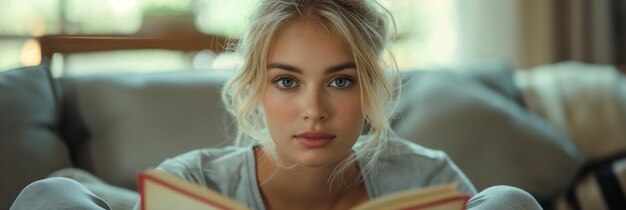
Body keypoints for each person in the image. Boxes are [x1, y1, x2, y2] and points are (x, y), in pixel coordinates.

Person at [11, 0, 542, 209]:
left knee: (508, 202)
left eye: (340, 82)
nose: (314, 109)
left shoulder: (429, 180)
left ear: (372, 91)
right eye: (287, 82)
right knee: (53, 194)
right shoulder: (193, 184)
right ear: (256, 90)